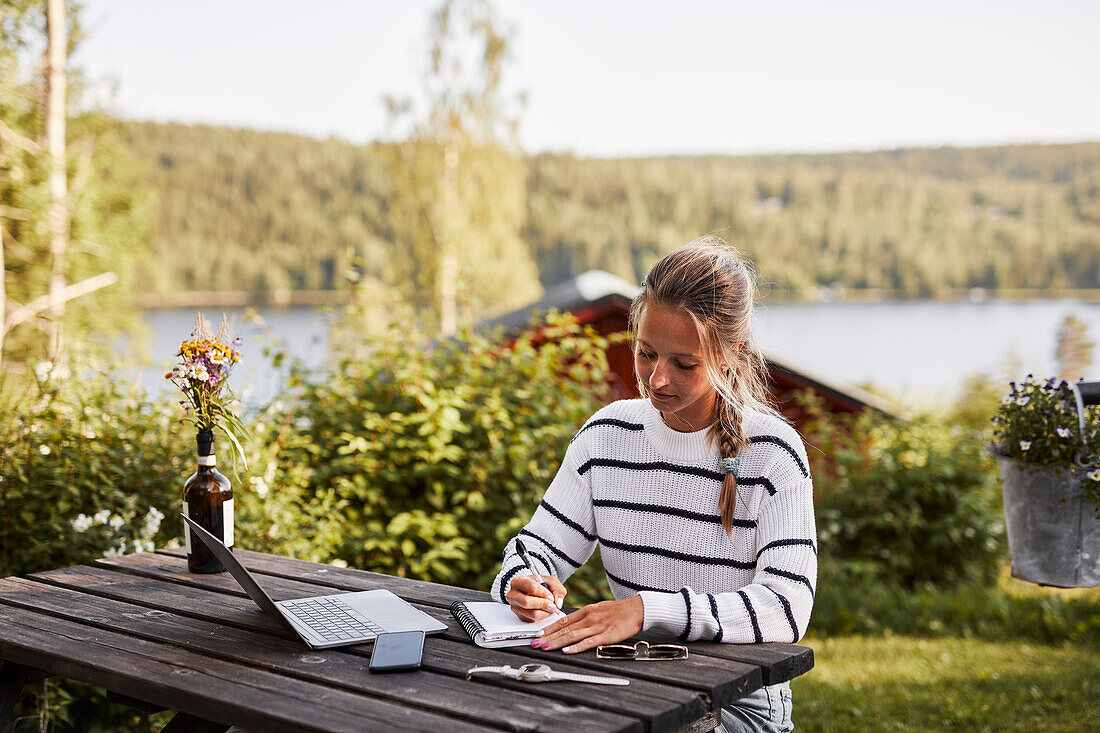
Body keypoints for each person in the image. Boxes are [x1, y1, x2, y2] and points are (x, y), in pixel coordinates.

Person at [490, 236, 817, 733]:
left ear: (730, 354)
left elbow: (786, 607)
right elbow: (534, 549)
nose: (656, 379)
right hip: (630, 690)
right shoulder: (607, 436)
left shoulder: (773, 452)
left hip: (739, 707)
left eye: (683, 364)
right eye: (646, 354)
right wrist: (521, 583)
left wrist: (647, 611)